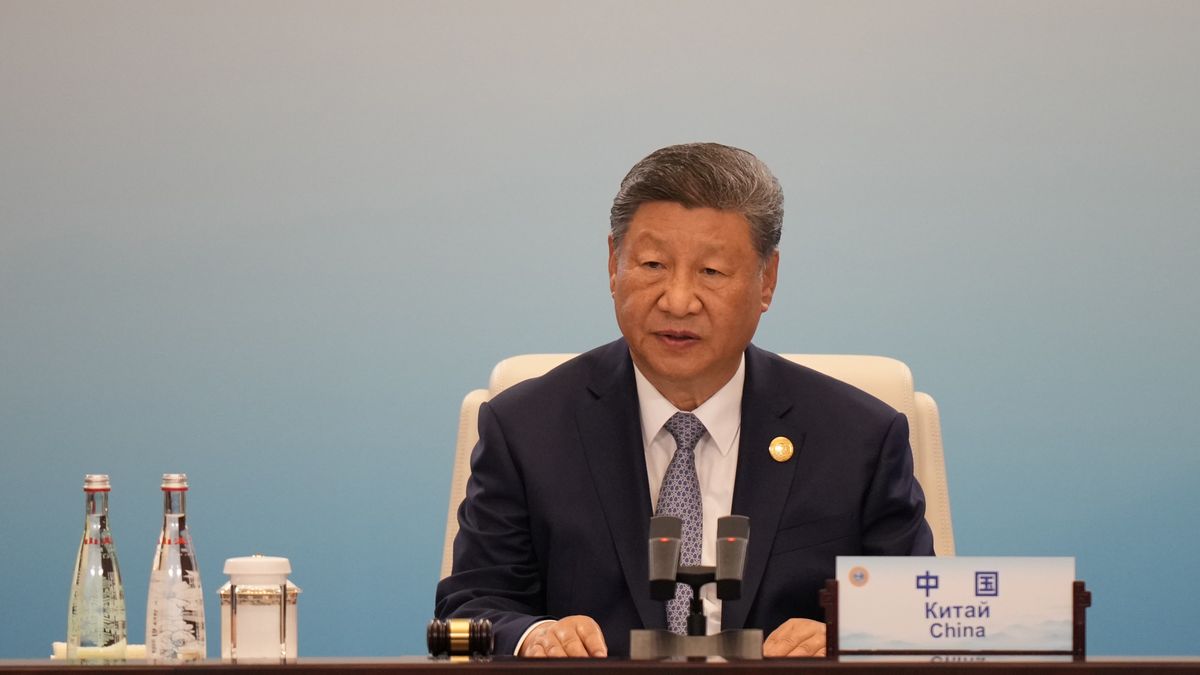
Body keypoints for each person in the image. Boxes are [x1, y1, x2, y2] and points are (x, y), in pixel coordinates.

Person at [435, 142, 933, 658]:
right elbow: (469, 610)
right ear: (613, 264)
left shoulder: (857, 438)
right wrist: (534, 636)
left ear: (767, 281)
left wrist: (850, 639)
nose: (677, 300)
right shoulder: (526, 429)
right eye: (652, 264)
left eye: (712, 272)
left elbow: (923, 612)